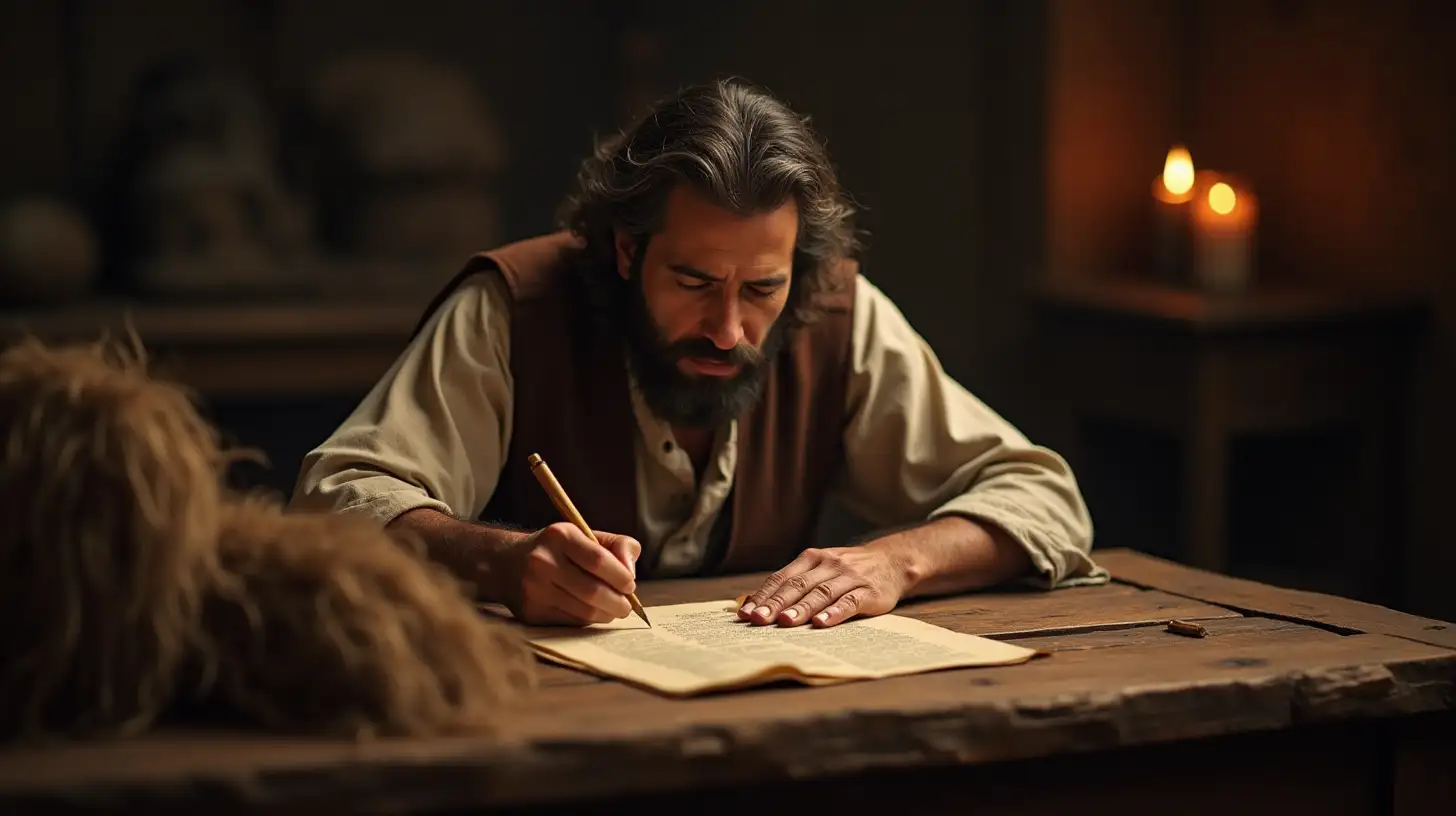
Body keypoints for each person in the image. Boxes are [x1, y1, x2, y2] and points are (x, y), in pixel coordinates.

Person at [290, 78, 1106, 629]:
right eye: (692, 280)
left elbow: (1042, 494)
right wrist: (500, 564)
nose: (728, 329)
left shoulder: (834, 312)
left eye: (761, 289)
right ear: (624, 252)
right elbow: (335, 497)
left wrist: (900, 561)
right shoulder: (517, 309)